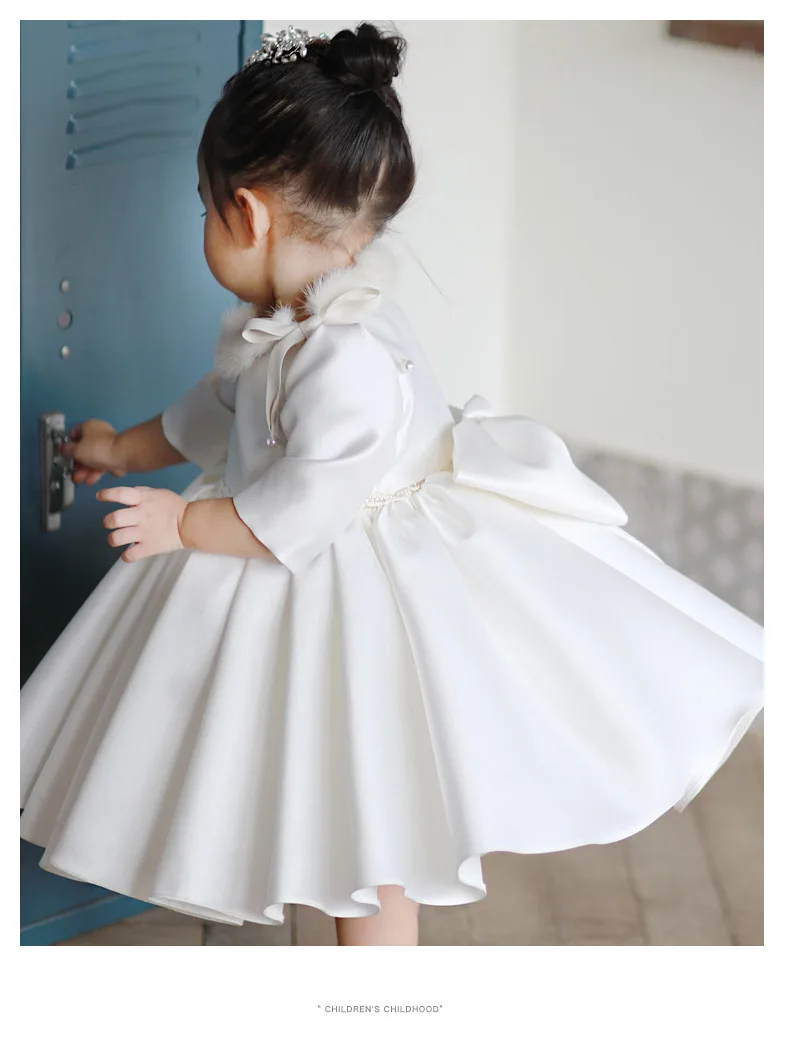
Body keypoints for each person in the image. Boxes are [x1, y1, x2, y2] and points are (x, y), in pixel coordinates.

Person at [20, 24, 763, 947]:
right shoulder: (285, 322)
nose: (206, 224)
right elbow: (221, 408)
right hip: (298, 557)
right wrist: (123, 450)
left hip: (355, 583)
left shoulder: (348, 357)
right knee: (303, 782)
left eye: (204, 208)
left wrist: (184, 524)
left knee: (368, 814)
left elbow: (302, 508)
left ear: (248, 214)